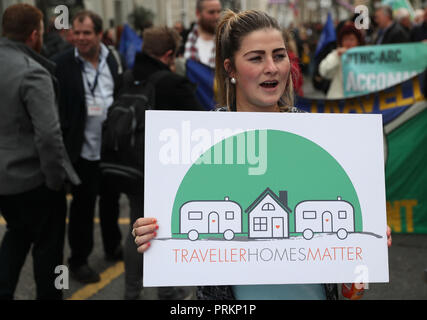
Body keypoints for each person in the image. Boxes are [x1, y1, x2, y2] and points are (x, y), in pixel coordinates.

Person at [132, 9, 394, 300]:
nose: (272, 67)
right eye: (256, 58)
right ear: (230, 69)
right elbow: (182, 242)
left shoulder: (318, 138)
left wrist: (365, 245)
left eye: (279, 56)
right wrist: (155, 234)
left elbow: (351, 290)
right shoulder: (201, 142)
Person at [123, 26, 203, 300]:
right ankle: (168, 291)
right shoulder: (172, 83)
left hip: (130, 166)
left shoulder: (127, 77)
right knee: (163, 228)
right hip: (165, 171)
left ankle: (132, 291)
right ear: (170, 54)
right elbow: (200, 122)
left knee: (138, 227)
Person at [0, 4, 70, 300]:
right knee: (48, 254)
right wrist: (56, 180)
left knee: (17, 235)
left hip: (5, 183)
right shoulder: (33, 73)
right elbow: (49, 135)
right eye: (41, 31)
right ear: (33, 35)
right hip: (34, 181)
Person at [53, 10, 124, 284]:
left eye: (86, 33)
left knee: (112, 201)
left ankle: (112, 246)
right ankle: (79, 260)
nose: (80, 38)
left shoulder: (113, 59)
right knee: (83, 207)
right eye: (77, 33)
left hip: (110, 147)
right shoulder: (60, 64)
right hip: (81, 149)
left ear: (99, 35)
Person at [319, 22, 365, 99]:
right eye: (345, 39)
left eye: (352, 39)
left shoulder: (365, 57)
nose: (348, 43)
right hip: (338, 100)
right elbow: (323, 71)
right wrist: (337, 56)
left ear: (358, 42)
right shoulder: (336, 55)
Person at [184, 0, 222, 68]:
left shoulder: (227, 40)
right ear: (198, 13)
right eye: (211, 12)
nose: (217, 16)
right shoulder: (183, 40)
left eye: (219, 12)